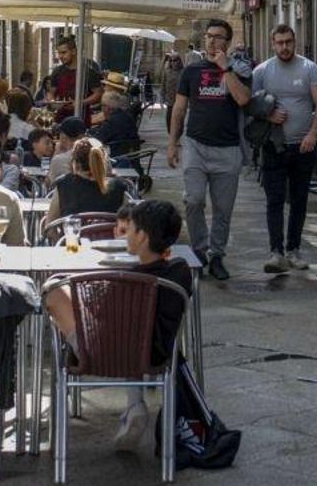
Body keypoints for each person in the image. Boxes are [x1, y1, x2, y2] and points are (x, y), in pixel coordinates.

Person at [44, 200, 192, 452]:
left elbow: (98, 314)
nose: (126, 234)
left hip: (100, 354)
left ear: (142, 236)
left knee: (54, 293)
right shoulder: (179, 273)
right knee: (134, 330)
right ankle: (134, 404)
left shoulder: (120, 281)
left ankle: (130, 404)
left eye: (130, 228)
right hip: (154, 356)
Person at [167, 18, 251, 281]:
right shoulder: (191, 71)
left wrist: (226, 69)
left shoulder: (240, 70)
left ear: (228, 42)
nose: (212, 41)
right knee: (193, 200)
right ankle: (200, 250)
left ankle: (217, 255)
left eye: (218, 37)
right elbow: (179, 108)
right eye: (209, 36)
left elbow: (243, 99)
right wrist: (172, 142)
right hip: (196, 145)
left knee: (223, 209)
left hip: (228, 149)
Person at [252, 24, 317, 274]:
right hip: (273, 146)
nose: (284, 47)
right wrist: (268, 115)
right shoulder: (262, 71)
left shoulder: (309, 68)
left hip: (303, 146)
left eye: (288, 42)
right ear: (273, 44)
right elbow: (250, 104)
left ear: (295, 42)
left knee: (299, 200)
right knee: (274, 200)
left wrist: (313, 133)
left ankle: (294, 249)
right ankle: (276, 252)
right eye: (280, 42)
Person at [47, 137, 126, 221]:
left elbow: (50, 225)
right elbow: (129, 223)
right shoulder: (117, 187)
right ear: (103, 162)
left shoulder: (64, 185)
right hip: (109, 230)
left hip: (74, 230)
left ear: (75, 163)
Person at [46, 35, 104, 125]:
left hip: (81, 119)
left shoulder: (88, 72)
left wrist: (80, 103)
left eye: (64, 52)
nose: (60, 56)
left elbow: (98, 93)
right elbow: (51, 92)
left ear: (73, 51)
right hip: (61, 119)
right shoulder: (57, 71)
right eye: (59, 53)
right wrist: (53, 102)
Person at [48, 116, 86, 184]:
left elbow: (48, 183)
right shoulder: (99, 155)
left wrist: (56, 153)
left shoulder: (59, 159)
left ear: (63, 137)